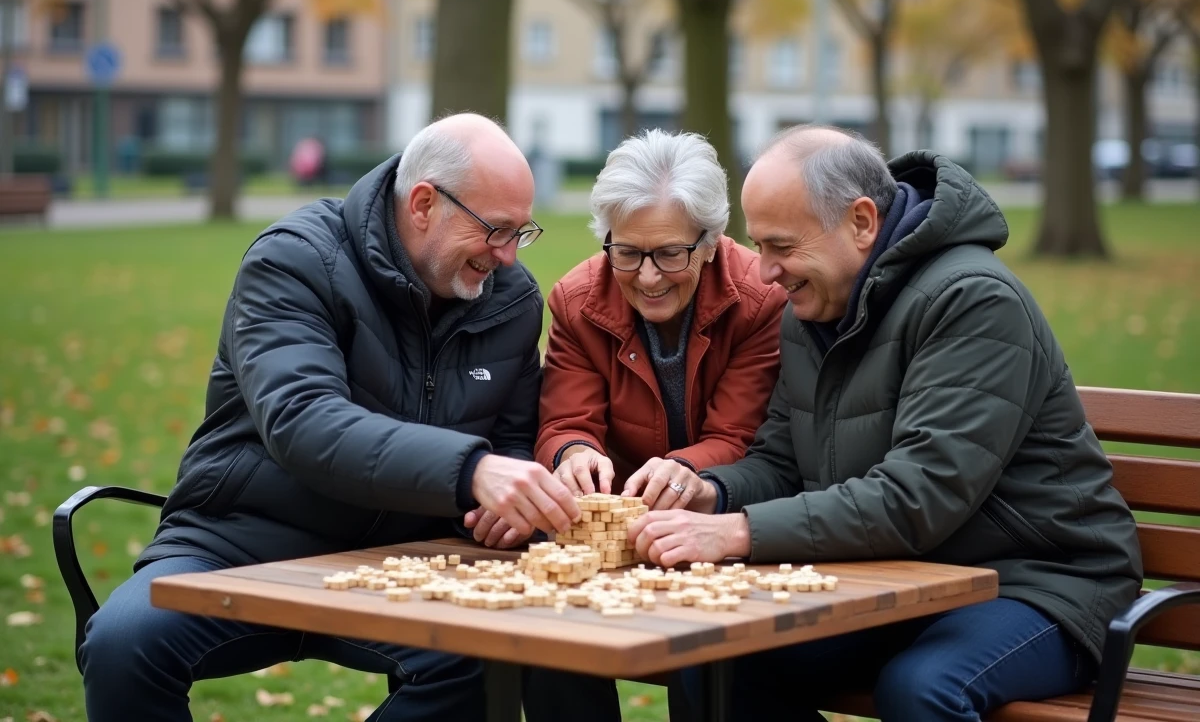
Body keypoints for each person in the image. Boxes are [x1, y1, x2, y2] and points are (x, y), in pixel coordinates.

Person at [627, 125, 1144, 721]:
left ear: (862, 222)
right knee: (713, 657)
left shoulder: (973, 300)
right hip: (896, 580)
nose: (765, 272)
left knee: (922, 688)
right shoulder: (813, 306)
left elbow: (919, 496)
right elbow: (781, 463)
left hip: (1040, 585)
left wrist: (737, 532)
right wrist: (709, 495)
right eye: (758, 246)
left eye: (782, 246)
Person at [80, 113, 582, 722]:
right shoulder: (294, 261)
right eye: (495, 231)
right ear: (424, 203)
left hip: (409, 559)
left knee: (479, 662)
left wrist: (508, 505)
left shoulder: (510, 302)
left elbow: (513, 440)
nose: (506, 257)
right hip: (243, 541)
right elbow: (303, 420)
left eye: (520, 233)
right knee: (120, 645)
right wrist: (473, 471)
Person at [522, 130, 785, 722]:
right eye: (627, 252)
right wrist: (572, 455)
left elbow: (741, 437)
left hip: (716, 526)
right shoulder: (576, 300)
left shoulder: (759, 300)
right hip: (612, 537)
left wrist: (687, 470)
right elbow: (565, 419)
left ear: (711, 242)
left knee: (703, 654)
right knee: (549, 643)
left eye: (670, 253)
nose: (647, 276)